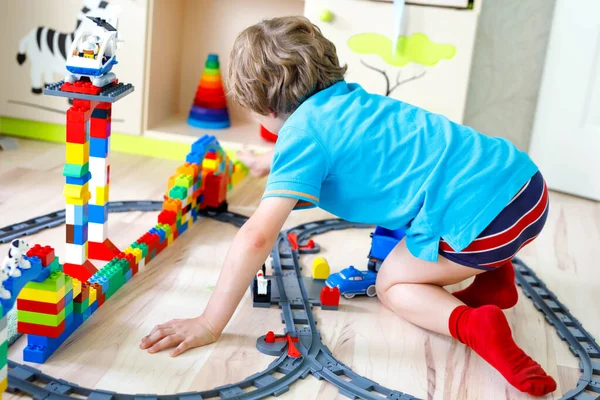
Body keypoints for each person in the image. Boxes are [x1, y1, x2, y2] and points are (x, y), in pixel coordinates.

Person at [140, 16, 555, 397]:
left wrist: (209, 322)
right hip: (524, 187)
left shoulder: (302, 136)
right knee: (440, 202)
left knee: (393, 282)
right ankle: (496, 280)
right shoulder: (351, 100)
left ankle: (475, 326)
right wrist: (272, 163)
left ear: (265, 109)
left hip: (485, 226)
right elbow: (343, 147)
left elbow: (258, 236)